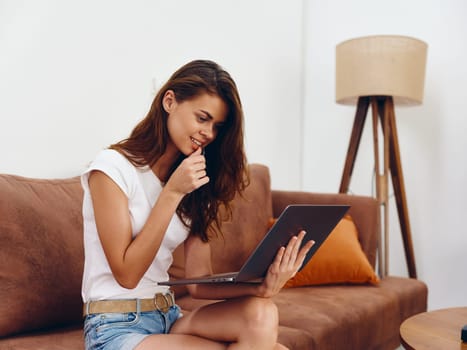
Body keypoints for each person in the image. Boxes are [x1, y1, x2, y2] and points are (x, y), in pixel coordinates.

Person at [81, 59, 314, 350]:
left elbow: (197, 283)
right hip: (114, 327)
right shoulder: (112, 169)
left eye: (217, 126)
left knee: (262, 313)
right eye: (202, 118)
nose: (209, 133)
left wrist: (262, 286)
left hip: (168, 316)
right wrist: (172, 193)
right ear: (170, 101)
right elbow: (126, 275)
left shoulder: (194, 183)